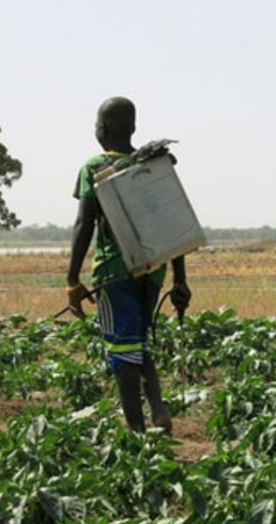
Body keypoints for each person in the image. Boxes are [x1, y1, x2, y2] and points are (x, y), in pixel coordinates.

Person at [66, 96, 192, 434]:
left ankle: (136, 431)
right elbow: (173, 224)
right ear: (133, 127)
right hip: (153, 271)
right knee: (138, 341)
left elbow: (84, 225)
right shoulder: (151, 167)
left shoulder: (93, 168)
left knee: (122, 352)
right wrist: (179, 281)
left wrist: (71, 280)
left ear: (102, 128)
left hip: (113, 273)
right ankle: (159, 409)